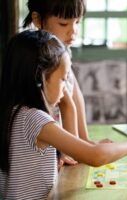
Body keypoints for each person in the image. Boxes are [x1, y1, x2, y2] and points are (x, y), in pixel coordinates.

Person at [0, 30, 127, 199]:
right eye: (63, 79)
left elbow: (72, 154)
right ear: (39, 78)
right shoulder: (35, 119)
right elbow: (96, 156)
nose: (66, 88)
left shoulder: (13, 113)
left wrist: (66, 102)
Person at [22, 0, 103, 166]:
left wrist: (84, 139)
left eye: (77, 22)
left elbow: (75, 93)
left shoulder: (62, 49)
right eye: (63, 23)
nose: (73, 31)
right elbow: (67, 105)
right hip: (45, 148)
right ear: (37, 20)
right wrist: (72, 149)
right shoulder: (37, 56)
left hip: (63, 142)